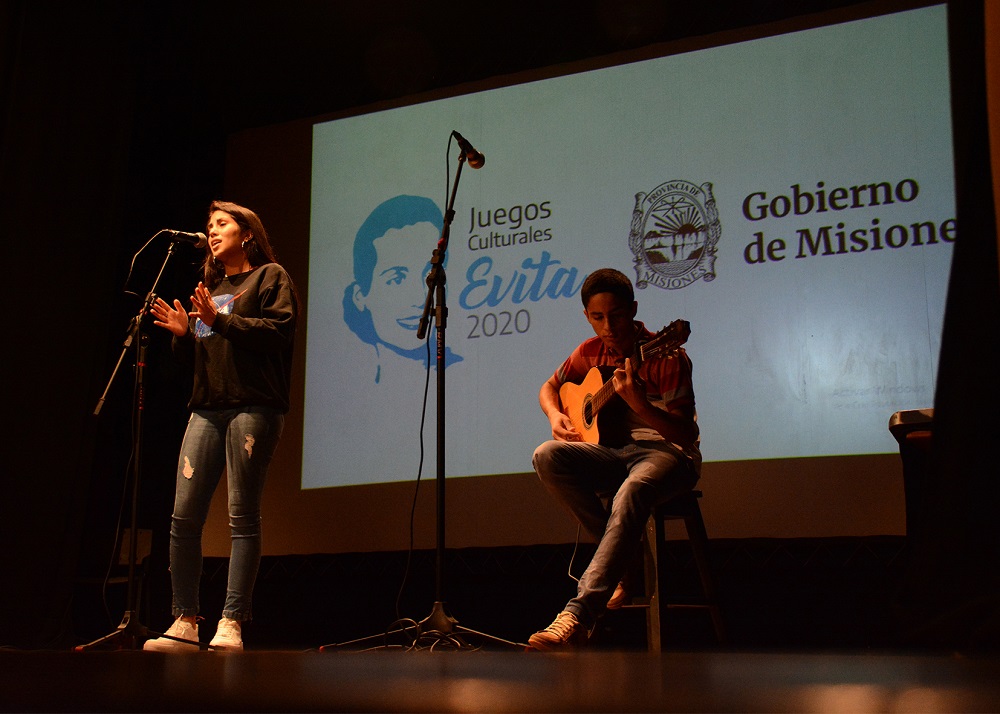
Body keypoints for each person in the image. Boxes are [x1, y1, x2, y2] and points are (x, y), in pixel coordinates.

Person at [142, 200, 297, 652]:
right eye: (209, 225)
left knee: (241, 515)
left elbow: (277, 333)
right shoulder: (210, 289)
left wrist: (219, 320)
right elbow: (204, 356)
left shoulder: (270, 277)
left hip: (254, 408)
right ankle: (185, 620)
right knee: (183, 517)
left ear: (246, 233)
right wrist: (184, 336)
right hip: (206, 408)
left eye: (221, 224)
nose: (211, 231)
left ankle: (232, 622)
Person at [527, 268, 700, 650]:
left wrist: (641, 404)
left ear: (633, 310)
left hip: (667, 453)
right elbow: (550, 387)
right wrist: (555, 415)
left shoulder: (668, 355)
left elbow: (686, 436)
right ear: (587, 316)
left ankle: (577, 615)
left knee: (632, 490)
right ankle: (625, 557)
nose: (608, 327)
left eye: (617, 315)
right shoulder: (589, 351)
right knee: (547, 455)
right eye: (598, 317)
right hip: (613, 451)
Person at [342, 194, 461, 384]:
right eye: (396, 279)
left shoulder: (463, 375)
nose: (420, 298)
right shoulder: (350, 385)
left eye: (428, 274)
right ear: (360, 296)